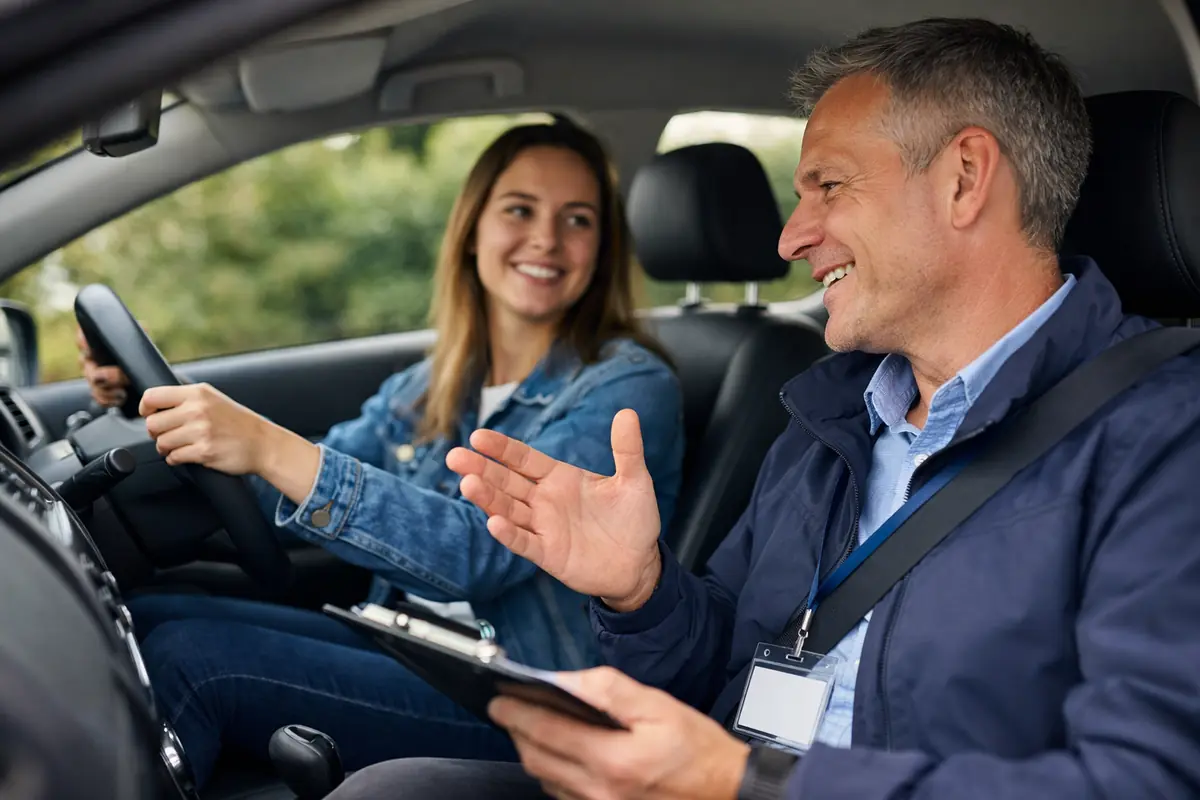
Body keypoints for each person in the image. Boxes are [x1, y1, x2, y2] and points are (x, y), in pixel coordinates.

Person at [324, 17, 1200, 800]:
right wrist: (641, 594)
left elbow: (1143, 778)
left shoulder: (1166, 440)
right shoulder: (834, 419)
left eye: (827, 186)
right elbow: (726, 666)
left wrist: (744, 780)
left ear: (965, 177)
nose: (791, 236)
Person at [76, 121, 685, 788]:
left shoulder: (626, 388)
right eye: (520, 210)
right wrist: (169, 414)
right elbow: (306, 478)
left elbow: (477, 555)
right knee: (149, 616)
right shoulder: (436, 381)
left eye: (578, 220)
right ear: (472, 228)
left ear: (602, 248)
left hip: (528, 698)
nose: (546, 238)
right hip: (412, 648)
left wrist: (266, 444)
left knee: (191, 658)